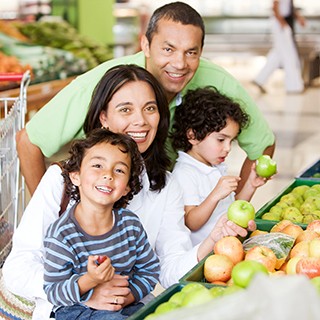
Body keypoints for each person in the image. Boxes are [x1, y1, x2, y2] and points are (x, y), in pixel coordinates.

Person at [3, 65, 255, 319]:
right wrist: (87, 289)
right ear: (104, 118)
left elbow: (169, 269)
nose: (141, 121)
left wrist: (213, 239)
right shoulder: (62, 179)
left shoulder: (164, 186)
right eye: (125, 109)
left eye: (150, 108)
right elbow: (17, 269)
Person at [16, 1, 275, 196]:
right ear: (146, 45)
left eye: (191, 52)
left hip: (170, 208)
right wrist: (52, 219)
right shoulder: (103, 83)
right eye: (168, 49)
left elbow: (263, 146)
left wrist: (235, 212)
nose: (179, 64)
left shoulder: (218, 82)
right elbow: (29, 142)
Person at [44, 129, 160, 319]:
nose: (108, 175)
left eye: (119, 170)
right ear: (75, 176)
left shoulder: (130, 225)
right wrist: (91, 280)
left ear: (127, 187)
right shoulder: (62, 234)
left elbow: (149, 269)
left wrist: (126, 297)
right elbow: (54, 291)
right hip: (76, 308)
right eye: (98, 165)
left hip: (125, 303)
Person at [171, 87, 272, 246]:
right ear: (193, 136)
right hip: (207, 256)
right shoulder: (185, 173)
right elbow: (191, 221)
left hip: (227, 246)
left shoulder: (215, 166)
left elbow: (232, 210)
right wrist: (215, 195)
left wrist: (251, 186)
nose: (228, 148)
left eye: (231, 141)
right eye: (221, 140)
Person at [253, 0, 305, 94]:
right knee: (289, 54)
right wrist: (282, 23)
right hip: (280, 23)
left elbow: (289, 8)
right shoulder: (281, 22)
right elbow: (275, 6)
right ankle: (293, 87)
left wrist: (299, 18)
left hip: (283, 22)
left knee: (278, 54)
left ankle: (259, 79)